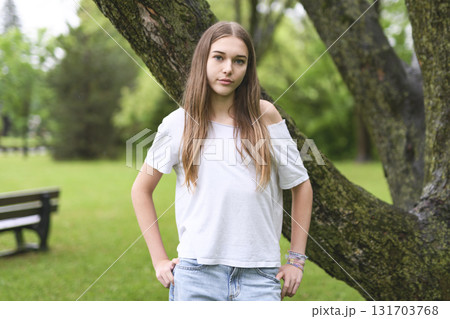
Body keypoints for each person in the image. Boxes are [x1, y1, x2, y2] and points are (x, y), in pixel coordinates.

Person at [131, 21, 313, 301]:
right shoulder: (178, 123)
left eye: (239, 61)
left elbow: (301, 185)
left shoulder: (265, 116)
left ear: (248, 69)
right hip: (196, 275)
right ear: (203, 60)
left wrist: (296, 260)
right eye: (219, 57)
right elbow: (141, 190)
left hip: (260, 276)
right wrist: (159, 260)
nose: (228, 68)